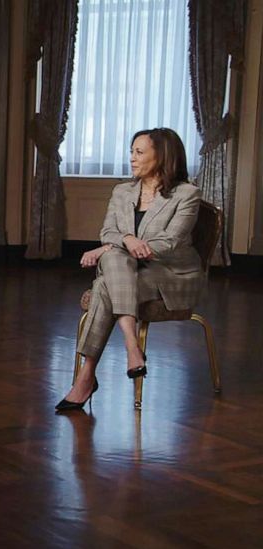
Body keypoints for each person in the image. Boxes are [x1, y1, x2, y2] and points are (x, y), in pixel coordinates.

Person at [57, 128, 206, 411]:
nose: (132, 159)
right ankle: (131, 346)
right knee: (114, 262)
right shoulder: (122, 191)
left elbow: (169, 242)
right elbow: (108, 231)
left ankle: (85, 377)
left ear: (161, 156)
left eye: (139, 152)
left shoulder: (187, 194)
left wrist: (108, 248)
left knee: (104, 283)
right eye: (131, 152)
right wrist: (124, 240)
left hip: (171, 274)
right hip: (129, 270)